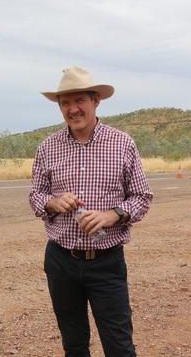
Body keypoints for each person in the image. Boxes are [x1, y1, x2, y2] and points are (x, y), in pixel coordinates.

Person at [29, 66, 153, 356]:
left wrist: (112, 216)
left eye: (79, 100)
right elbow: (36, 194)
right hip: (61, 260)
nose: (73, 109)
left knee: (119, 344)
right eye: (65, 103)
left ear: (96, 100)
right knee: (73, 344)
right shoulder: (48, 147)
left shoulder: (122, 144)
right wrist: (51, 202)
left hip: (106, 262)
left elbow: (142, 197)